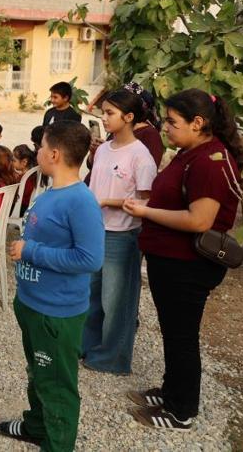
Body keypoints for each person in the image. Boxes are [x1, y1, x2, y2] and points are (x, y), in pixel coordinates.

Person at [123, 89, 243, 431]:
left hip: (188, 266)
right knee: (174, 332)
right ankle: (171, 390)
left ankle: (181, 410)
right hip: (172, 261)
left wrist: (146, 211)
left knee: (182, 336)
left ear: (198, 123)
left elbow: (199, 221)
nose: (165, 128)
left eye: (173, 122)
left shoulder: (210, 161)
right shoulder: (192, 152)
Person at [0, 121, 104, 450]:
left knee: (57, 384)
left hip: (55, 314)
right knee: (38, 372)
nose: (37, 152)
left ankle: (57, 444)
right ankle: (37, 425)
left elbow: (90, 259)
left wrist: (31, 251)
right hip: (33, 303)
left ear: (55, 154)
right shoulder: (51, 191)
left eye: (41, 147)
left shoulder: (81, 201)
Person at [81, 89, 157, 376]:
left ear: (128, 117)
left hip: (122, 235)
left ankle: (113, 357)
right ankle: (88, 345)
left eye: (110, 113)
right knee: (92, 293)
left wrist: (107, 201)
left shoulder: (141, 157)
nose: (104, 117)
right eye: (103, 111)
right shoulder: (103, 148)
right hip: (96, 230)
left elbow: (146, 202)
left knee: (118, 300)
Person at [12, 145, 37, 216]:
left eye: (14, 160)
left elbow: (20, 195)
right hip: (24, 206)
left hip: (21, 208)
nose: (12, 163)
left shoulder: (27, 178)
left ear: (24, 162)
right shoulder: (30, 173)